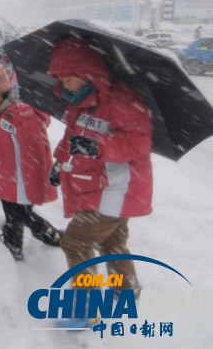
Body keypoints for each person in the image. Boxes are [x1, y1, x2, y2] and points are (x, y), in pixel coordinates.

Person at [46, 37, 153, 325]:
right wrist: (59, 161)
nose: (64, 86)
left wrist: (98, 147)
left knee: (75, 243)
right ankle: (126, 291)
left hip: (119, 190)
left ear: (86, 74)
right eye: (61, 80)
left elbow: (139, 142)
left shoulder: (121, 100)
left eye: (68, 79)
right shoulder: (80, 102)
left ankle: (86, 310)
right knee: (111, 240)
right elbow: (72, 138)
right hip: (100, 188)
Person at [0, 59, 62, 261]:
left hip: (20, 182)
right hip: (10, 180)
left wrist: (34, 183)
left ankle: (50, 238)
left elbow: (37, 153)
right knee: (14, 215)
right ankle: (15, 246)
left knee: (20, 216)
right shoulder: (4, 114)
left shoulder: (21, 116)